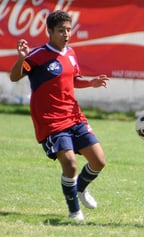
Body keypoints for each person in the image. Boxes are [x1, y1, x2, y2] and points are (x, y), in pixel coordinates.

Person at [9, 10, 109, 221]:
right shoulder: (37, 56)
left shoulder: (71, 54)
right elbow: (14, 76)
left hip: (74, 116)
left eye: (68, 29)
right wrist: (21, 58)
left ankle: (80, 189)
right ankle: (74, 211)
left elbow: (74, 80)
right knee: (70, 164)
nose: (66, 34)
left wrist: (90, 83)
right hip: (51, 121)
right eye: (61, 30)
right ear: (50, 32)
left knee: (99, 161)